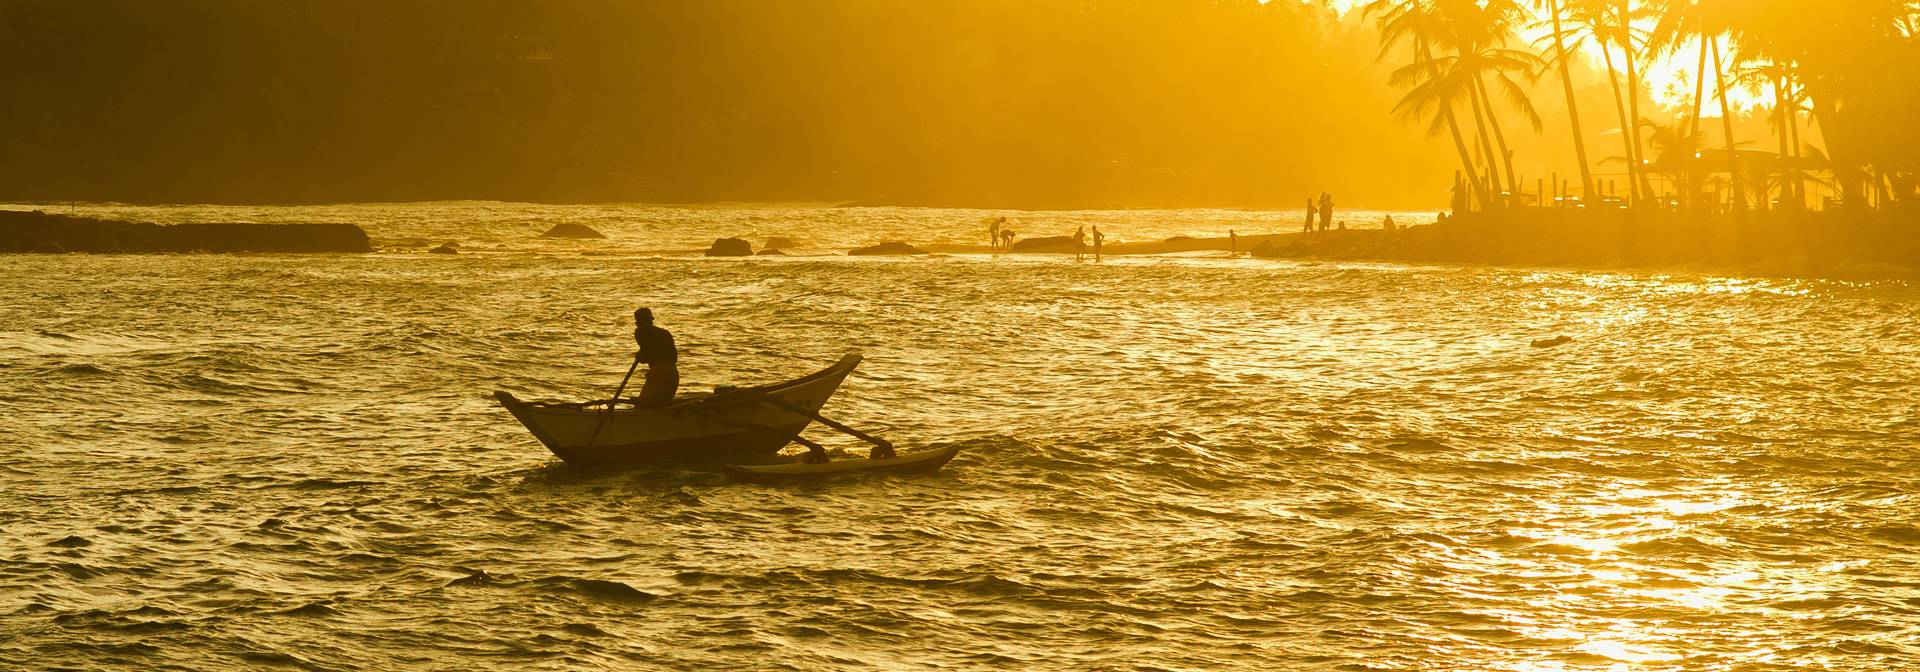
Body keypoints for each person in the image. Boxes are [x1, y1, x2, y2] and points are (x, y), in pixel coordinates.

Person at [631, 307, 678, 406]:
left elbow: (646, 355)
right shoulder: (665, 333)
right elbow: (672, 356)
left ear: (638, 322)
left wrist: (639, 356)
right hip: (673, 374)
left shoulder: (640, 332)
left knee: (645, 406)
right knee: (664, 405)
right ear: (651, 319)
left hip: (659, 374)